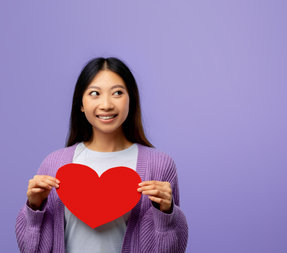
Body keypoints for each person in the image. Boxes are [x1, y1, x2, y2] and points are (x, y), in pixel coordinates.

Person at [15, 57, 188, 253]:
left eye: (117, 93)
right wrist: (34, 208)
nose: (106, 105)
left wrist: (166, 213)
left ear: (131, 99)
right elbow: (31, 249)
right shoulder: (54, 164)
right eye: (95, 93)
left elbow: (173, 249)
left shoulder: (159, 165)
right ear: (81, 103)